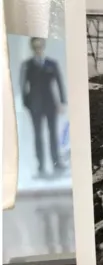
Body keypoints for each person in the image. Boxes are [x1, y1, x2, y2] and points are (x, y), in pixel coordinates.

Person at [21, 37, 67, 178]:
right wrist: (27, 104)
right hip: (35, 105)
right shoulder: (27, 65)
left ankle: (56, 162)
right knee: (38, 136)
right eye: (35, 47)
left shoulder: (52, 64)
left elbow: (59, 83)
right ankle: (40, 166)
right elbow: (23, 86)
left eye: (40, 46)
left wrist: (62, 102)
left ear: (43, 47)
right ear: (32, 48)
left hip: (50, 104)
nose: (38, 49)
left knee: (52, 134)